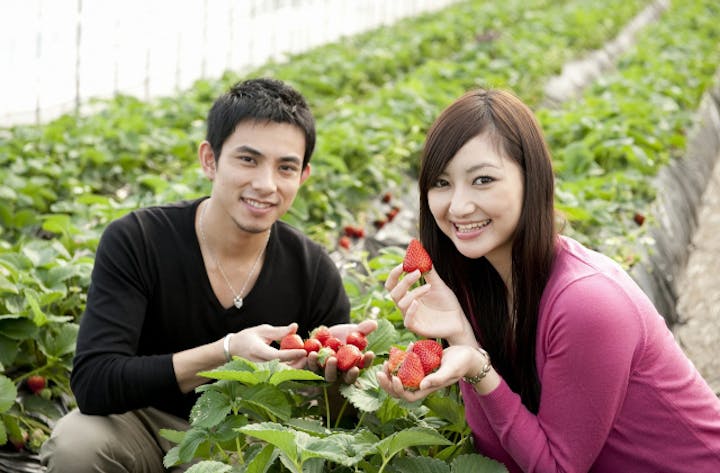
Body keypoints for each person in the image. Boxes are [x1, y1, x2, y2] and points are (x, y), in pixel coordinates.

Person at [41, 77, 376, 472]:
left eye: (285, 167)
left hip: (247, 441)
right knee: (77, 444)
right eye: (247, 160)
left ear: (302, 177)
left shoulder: (313, 268)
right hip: (146, 426)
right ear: (209, 159)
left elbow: (336, 423)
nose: (265, 184)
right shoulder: (138, 240)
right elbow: (94, 383)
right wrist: (227, 351)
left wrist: (337, 379)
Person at [378, 88, 720, 472]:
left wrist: (478, 368)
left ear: (532, 179)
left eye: (483, 180)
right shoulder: (485, 286)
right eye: (441, 183)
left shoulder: (587, 302)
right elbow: (505, 457)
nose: (457, 206)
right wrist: (461, 336)